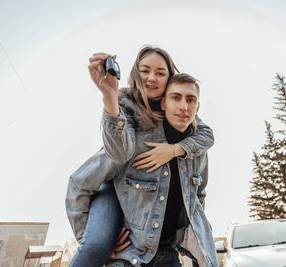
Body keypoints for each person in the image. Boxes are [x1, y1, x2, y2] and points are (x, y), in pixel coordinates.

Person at [66, 46, 216, 266]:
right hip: (112, 184)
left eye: (160, 73)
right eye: (145, 71)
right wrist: (109, 97)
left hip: (163, 247)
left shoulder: (184, 118)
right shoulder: (126, 105)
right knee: (96, 245)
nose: (151, 78)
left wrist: (174, 150)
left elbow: (207, 136)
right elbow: (118, 153)